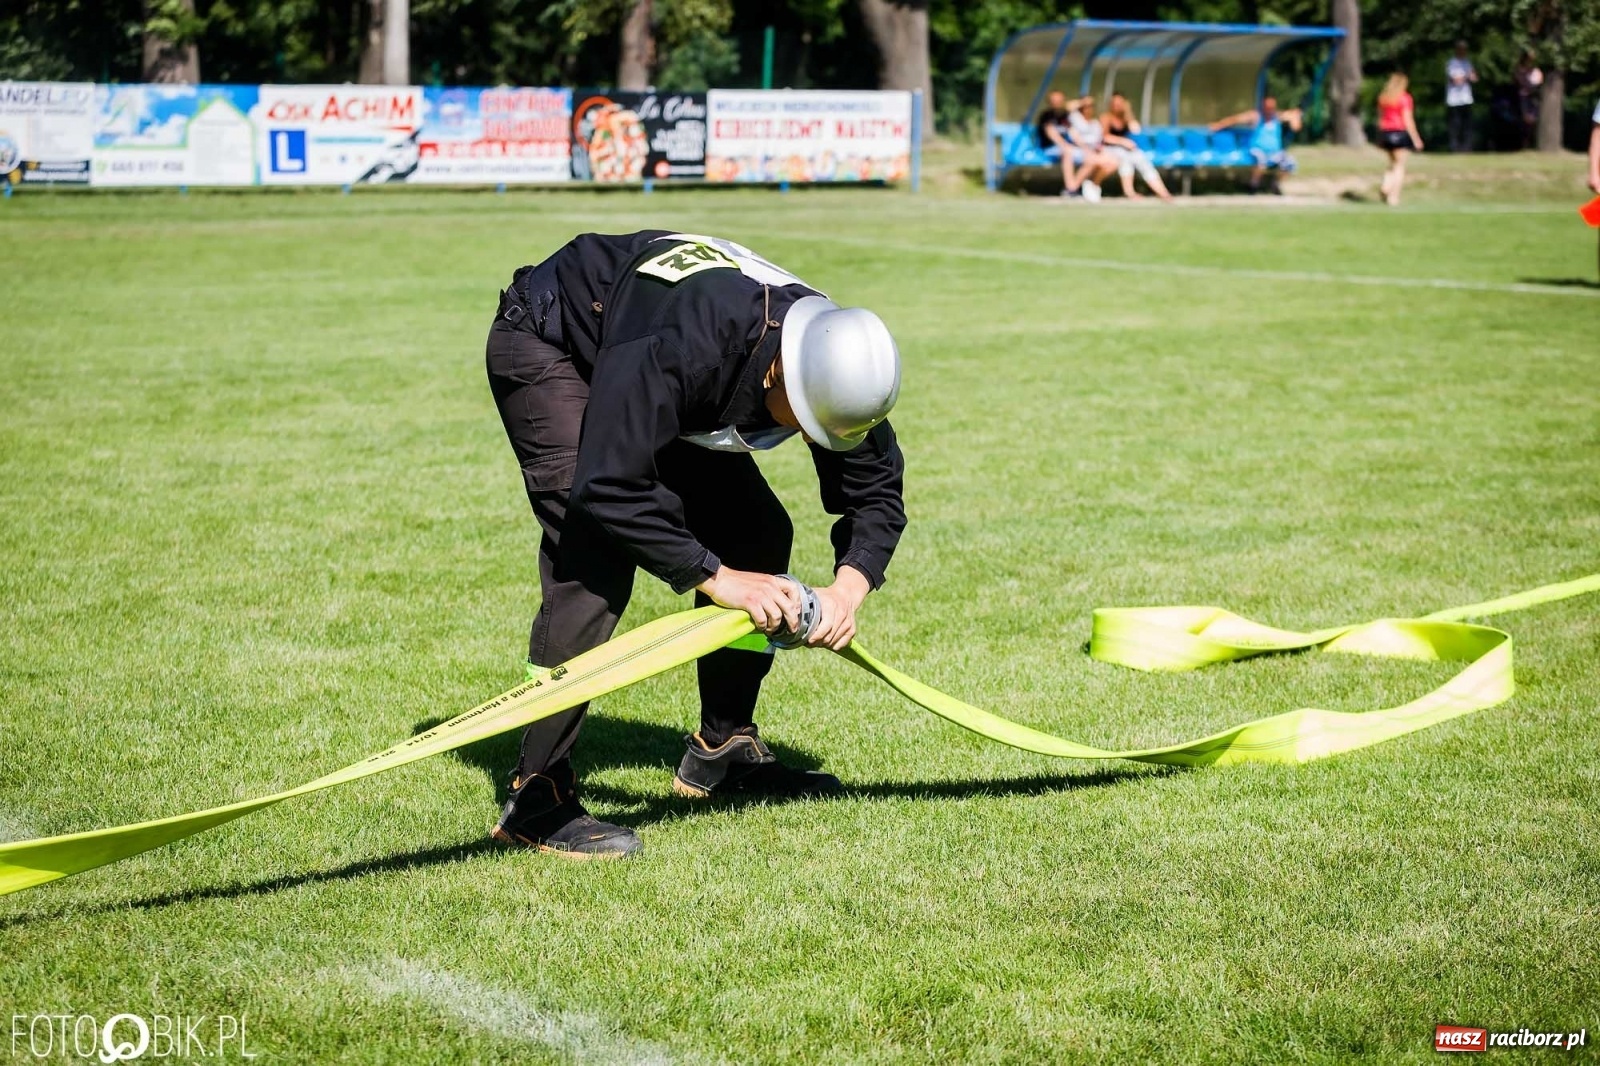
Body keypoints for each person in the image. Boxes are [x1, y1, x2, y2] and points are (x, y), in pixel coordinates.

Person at [485, 231, 907, 858]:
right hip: (554, 341)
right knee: (594, 557)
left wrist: (849, 589)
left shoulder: (833, 357)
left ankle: (723, 750)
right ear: (778, 371)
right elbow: (610, 486)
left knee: (757, 533)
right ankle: (537, 795)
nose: (814, 440)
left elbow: (875, 490)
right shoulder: (689, 348)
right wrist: (716, 577)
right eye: (808, 425)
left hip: (655, 359)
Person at [1209, 96, 1303, 194]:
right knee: (1261, 160)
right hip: (1257, 149)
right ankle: (1253, 186)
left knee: (1290, 163)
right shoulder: (1256, 116)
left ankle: (1276, 185)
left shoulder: (1276, 117)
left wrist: (1296, 117)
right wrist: (1219, 125)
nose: (1269, 111)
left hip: (1275, 152)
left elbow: (1295, 124)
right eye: (1267, 108)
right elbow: (1235, 119)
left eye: (1272, 108)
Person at [1036, 91, 1112, 200]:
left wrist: (1085, 148)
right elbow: (1051, 133)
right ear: (1050, 102)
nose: (1057, 102)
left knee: (1090, 158)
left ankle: (1073, 188)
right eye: (1054, 100)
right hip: (1050, 148)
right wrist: (1064, 145)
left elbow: (1073, 133)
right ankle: (1070, 188)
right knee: (1068, 152)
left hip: (1067, 148)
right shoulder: (1047, 115)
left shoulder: (1064, 116)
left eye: (1059, 100)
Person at [1103, 93, 1175, 202]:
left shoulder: (1125, 118)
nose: (1117, 106)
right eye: (1115, 103)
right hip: (1110, 149)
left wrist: (1127, 112)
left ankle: (1163, 193)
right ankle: (1129, 193)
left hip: (1126, 150)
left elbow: (1135, 129)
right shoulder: (1106, 117)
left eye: (1120, 103)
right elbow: (1104, 137)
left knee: (1142, 160)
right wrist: (1123, 142)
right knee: (1125, 159)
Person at [1376, 73, 1424, 206]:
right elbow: (1407, 120)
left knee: (1392, 163)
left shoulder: (1384, 98)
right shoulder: (1404, 98)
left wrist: (1379, 135)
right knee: (1400, 166)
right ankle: (1394, 195)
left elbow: (1380, 118)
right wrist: (1416, 138)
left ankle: (1385, 185)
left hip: (1385, 132)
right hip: (1399, 132)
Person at [1446, 41, 1478, 153]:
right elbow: (1456, 80)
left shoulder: (1467, 62)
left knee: (1467, 125)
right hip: (1454, 100)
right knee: (1455, 125)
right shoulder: (1452, 63)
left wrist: (1467, 76)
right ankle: (1454, 147)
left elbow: (1474, 78)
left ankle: (1467, 147)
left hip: (1466, 98)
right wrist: (1466, 76)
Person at [1515, 52, 1543, 150]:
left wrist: (1532, 88)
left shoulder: (1536, 71)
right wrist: (1531, 87)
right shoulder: (1521, 70)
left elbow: (1538, 84)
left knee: (1533, 121)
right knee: (1525, 120)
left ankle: (1531, 144)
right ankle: (1524, 144)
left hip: (1533, 98)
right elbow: (1521, 83)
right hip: (1524, 99)